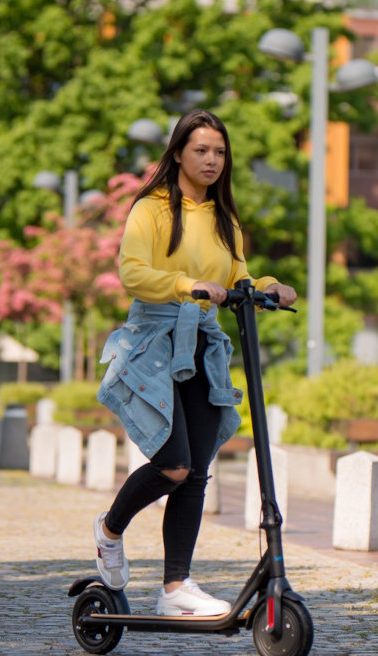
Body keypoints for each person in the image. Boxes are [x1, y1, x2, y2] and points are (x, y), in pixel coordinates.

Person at [93, 109, 298, 616]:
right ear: (179, 152)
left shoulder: (226, 219)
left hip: (202, 344)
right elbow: (133, 272)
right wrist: (187, 285)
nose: (211, 160)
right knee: (174, 464)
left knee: (198, 471)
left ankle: (174, 589)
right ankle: (109, 529)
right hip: (154, 342)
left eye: (220, 152)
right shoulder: (153, 210)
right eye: (201, 150)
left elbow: (239, 276)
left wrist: (269, 287)